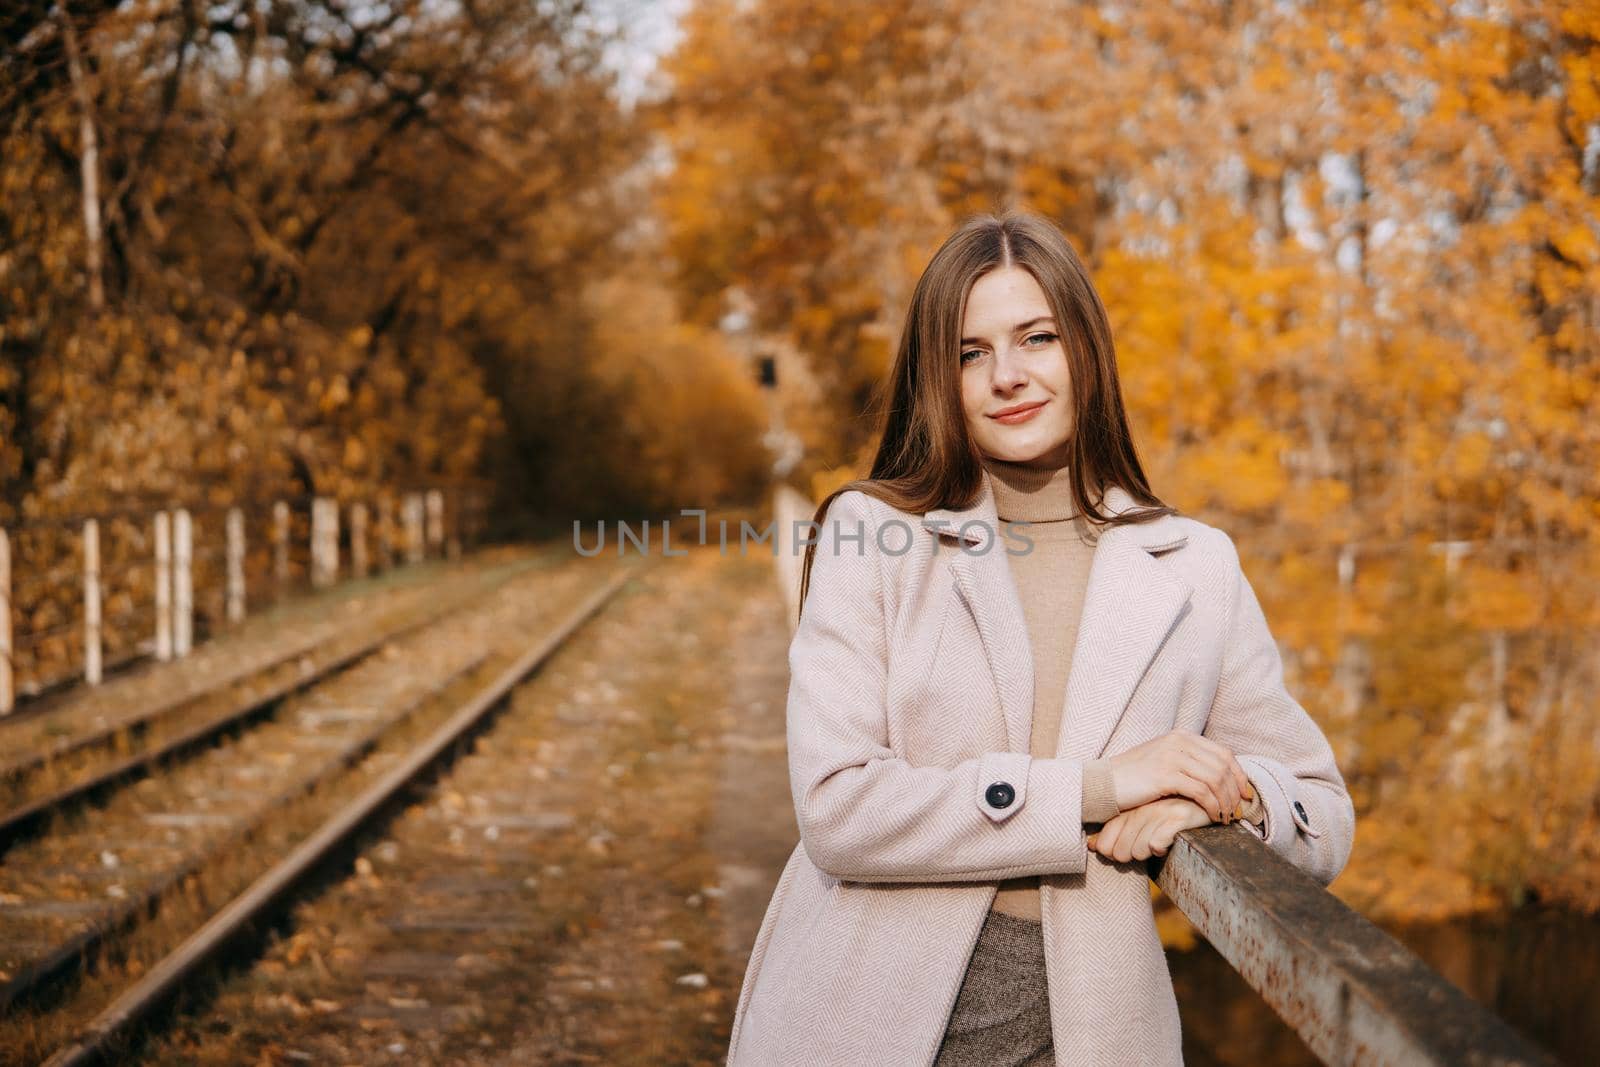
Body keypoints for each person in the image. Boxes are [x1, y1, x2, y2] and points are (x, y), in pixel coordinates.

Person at [726, 209, 1354, 1066]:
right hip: (866, 1013)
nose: (1006, 376)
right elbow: (838, 807)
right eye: (969, 352)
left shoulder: (1195, 565)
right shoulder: (872, 535)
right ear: (936, 379)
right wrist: (1100, 786)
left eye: (1037, 337)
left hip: (1089, 1028)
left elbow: (1322, 811)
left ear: (1085, 348)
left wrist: (1221, 797)